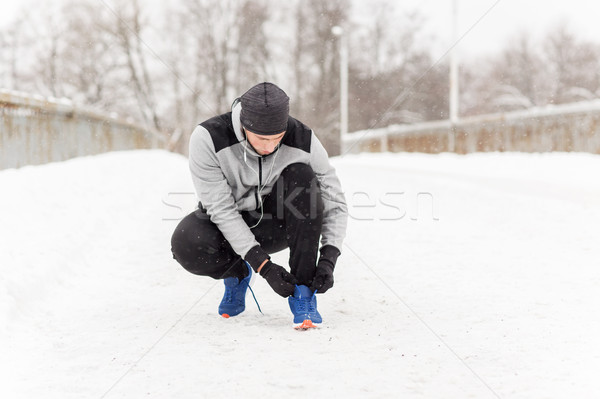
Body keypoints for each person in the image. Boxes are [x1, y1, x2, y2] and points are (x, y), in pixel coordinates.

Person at [171, 82, 348, 328]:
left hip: (276, 224)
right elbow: (221, 210)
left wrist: (329, 257)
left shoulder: (303, 138)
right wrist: (263, 266)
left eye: (277, 138)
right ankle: (237, 274)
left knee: (303, 178)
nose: (269, 147)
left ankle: (303, 290)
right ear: (244, 125)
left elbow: (335, 200)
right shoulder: (208, 138)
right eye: (262, 138)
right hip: (227, 228)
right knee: (187, 243)